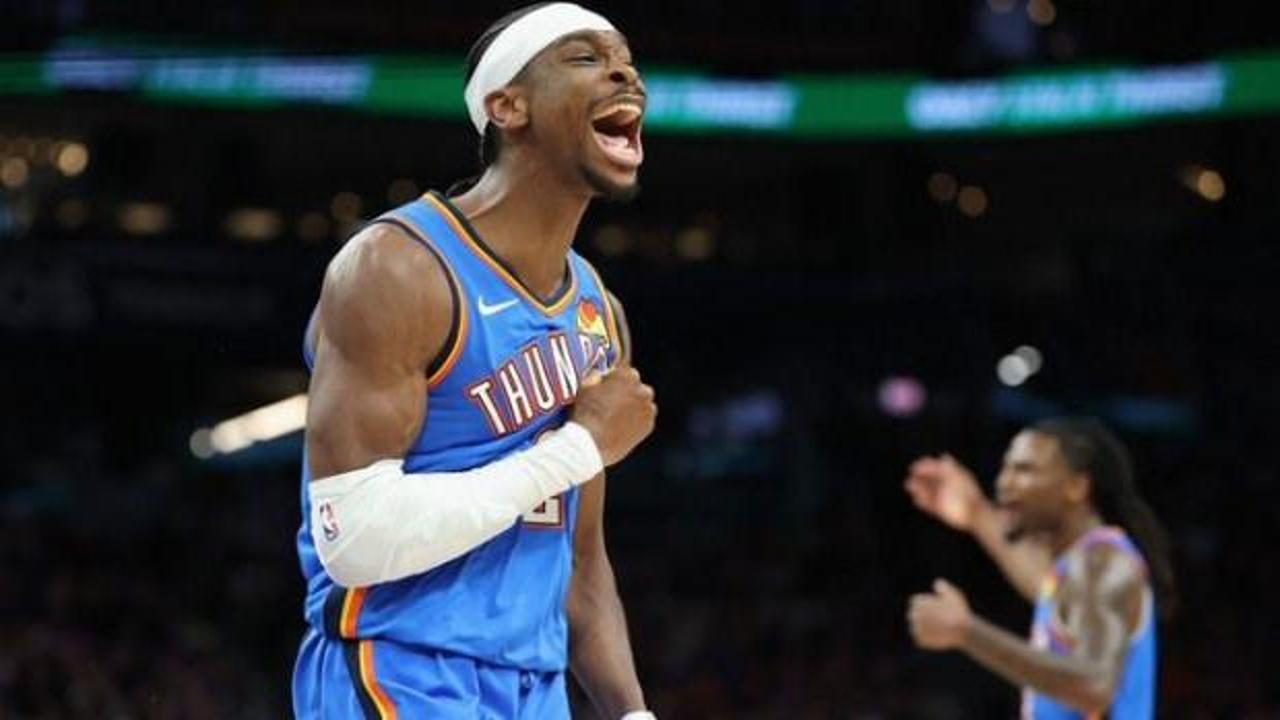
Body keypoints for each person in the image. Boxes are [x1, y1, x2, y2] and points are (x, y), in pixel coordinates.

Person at [291, 4, 658, 718]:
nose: (625, 73)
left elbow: (580, 561)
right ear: (507, 106)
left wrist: (632, 713)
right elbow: (354, 541)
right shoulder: (398, 267)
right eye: (586, 57)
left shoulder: (598, 313)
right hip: (398, 668)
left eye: (626, 59)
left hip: (535, 687)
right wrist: (579, 446)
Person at [904, 417, 1176, 719]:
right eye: (1006, 468)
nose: (1004, 482)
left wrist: (967, 632)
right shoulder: (1075, 567)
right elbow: (1041, 582)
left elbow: (1095, 685)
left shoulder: (1103, 564)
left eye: (1024, 470)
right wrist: (976, 512)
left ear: (1076, 487)